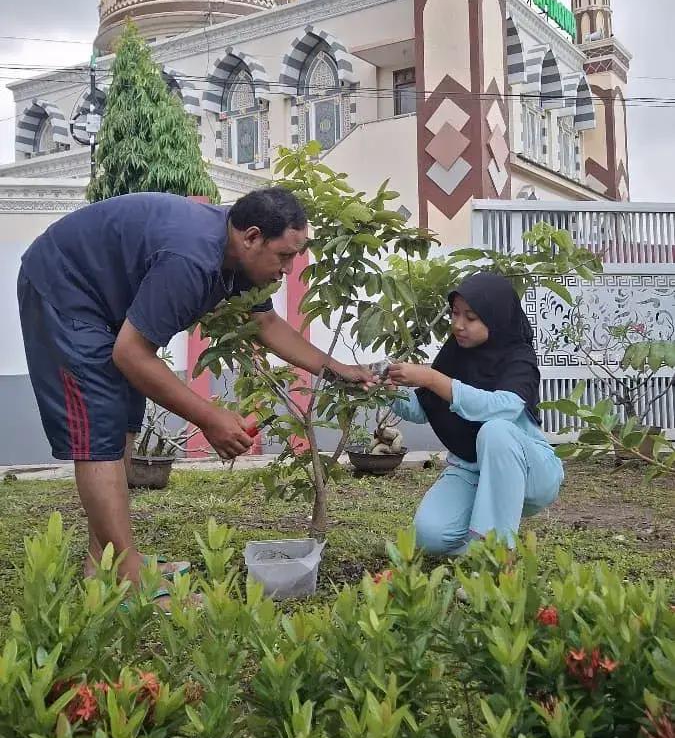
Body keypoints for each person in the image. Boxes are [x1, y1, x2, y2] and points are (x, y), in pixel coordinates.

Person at [18, 188, 373, 596]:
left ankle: (106, 564)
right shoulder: (191, 259)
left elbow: (267, 325)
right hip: (63, 290)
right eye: (284, 256)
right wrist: (210, 418)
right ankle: (131, 582)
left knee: (118, 425)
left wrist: (337, 370)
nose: (288, 270)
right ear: (252, 237)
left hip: (104, 301)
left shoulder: (236, 254)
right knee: (99, 435)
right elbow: (132, 356)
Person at [387, 272, 563, 556]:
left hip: (530, 473)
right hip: (471, 469)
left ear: (495, 318)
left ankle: (498, 559)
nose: (458, 325)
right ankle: (486, 542)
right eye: (455, 314)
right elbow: (424, 408)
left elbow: (504, 408)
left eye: (471, 317)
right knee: (430, 536)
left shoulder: (519, 358)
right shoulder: (455, 353)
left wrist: (432, 379)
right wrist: (385, 389)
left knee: (495, 430)